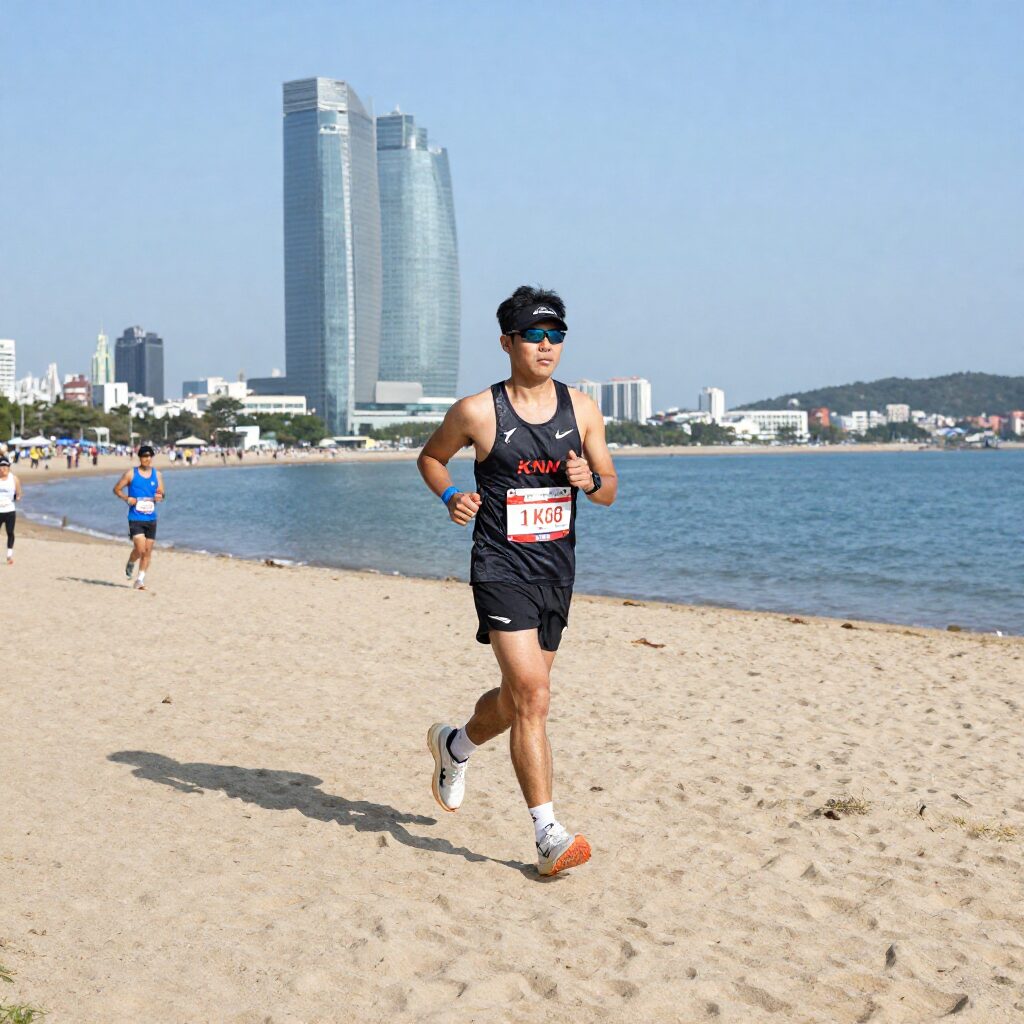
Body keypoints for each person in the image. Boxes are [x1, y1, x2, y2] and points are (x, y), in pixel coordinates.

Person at [417, 285, 618, 877]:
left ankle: (455, 745)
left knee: (516, 698)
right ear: (507, 341)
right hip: (499, 567)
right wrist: (452, 494)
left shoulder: (582, 410)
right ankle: (547, 834)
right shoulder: (477, 412)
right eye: (535, 335)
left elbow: (609, 489)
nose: (547, 346)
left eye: (557, 336)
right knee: (534, 695)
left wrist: (589, 479)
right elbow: (431, 458)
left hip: (556, 570)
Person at [113, 445, 165, 590]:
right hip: (135, 517)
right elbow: (116, 489)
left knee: (147, 551)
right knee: (140, 550)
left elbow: (162, 493)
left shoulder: (157, 475)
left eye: (149, 456)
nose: (147, 459)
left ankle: (140, 580)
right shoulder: (131, 474)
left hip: (151, 518)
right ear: (140, 458)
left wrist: (159, 496)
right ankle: (131, 561)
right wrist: (126, 498)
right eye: (144, 456)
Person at [0, 457, 22, 565]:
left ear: (8, 468)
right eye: (0, 467)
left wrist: (17, 497)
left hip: (9, 511)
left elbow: (18, 493)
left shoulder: (14, 479)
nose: (2, 469)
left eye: (5, 467)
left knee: (10, 532)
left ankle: (9, 555)